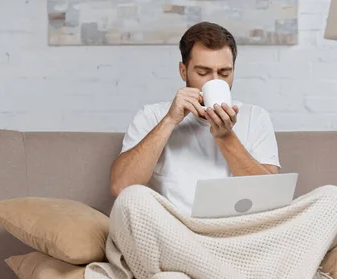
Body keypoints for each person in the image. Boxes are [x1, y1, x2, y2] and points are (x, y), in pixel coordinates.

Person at [110, 21, 281, 215]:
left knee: (324, 197)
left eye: (225, 73)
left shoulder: (255, 117)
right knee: (132, 202)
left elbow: (269, 197)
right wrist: (170, 121)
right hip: (172, 229)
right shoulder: (152, 115)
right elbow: (121, 187)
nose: (215, 81)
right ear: (183, 71)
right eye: (203, 72)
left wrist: (225, 137)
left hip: (236, 230)